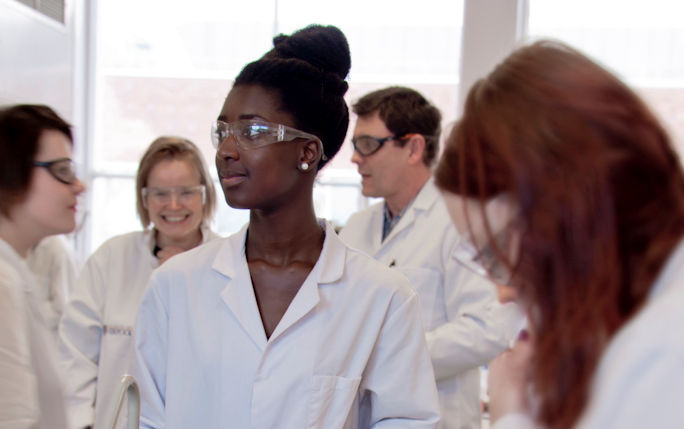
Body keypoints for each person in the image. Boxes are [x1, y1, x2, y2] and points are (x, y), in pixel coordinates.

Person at [132, 25, 440, 428]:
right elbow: (149, 420)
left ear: (307, 152)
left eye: (253, 131)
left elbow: (407, 422)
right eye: (223, 130)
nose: (226, 150)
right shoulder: (175, 287)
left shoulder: (380, 298)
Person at [434, 40, 684, 429]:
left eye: (498, 252)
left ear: (570, 209)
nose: (505, 292)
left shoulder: (664, 348)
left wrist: (512, 417)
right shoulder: (635, 324)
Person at [339, 86, 521, 429]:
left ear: (414, 147)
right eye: (355, 145)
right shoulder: (355, 228)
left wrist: (387, 356)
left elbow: (488, 328)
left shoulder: (459, 222)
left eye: (368, 145)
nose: (355, 158)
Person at [60, 136, 219, 429]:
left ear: (204, 195)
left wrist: (185, 279)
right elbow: (76, 356)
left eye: (186, 192)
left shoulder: (230, 265)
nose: (173, 204)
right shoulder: (112, 259)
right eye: (160, 193)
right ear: (144, 198)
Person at [0, 104, 86, 428]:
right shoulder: (3, 282)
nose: (79, 185)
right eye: (62, 170)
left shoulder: (13, 271)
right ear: (12, 173)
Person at [26, 234, 79, 349]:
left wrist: (24, 314)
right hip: (33, 343)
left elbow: (63, 308)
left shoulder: (60, 251)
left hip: (52, 345)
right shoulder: (28, 246)